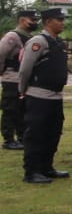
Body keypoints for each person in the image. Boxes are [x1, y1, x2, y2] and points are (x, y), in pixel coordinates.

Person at [17, 8, 71, 184]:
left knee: (53, 133)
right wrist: (22, 90)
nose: (62, 23)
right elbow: (25, 68)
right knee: (36, 134)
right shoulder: (38, 41)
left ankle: (47, 167)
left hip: (55, 96)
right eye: (59, 20)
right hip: (38, 95)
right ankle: (32, 171)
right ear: (48, 22)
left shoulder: (57, 42)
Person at [1, 8, 39, 150]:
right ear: (22, 20)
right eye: (32, 20)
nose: (34, 23)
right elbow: (1, 54)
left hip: (24, 79)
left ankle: (22, 136)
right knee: (10, 109)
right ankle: (8, 139)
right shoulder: (12, 36)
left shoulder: (30, 37)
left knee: (22, 110)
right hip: (11, 78)